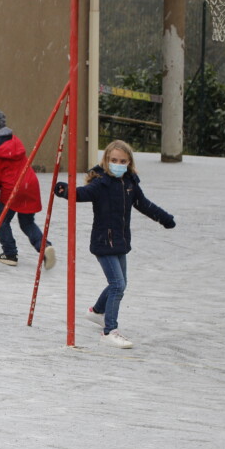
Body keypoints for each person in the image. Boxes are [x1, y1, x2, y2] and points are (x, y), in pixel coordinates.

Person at [55, 139, 175, 349]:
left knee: (120, 283)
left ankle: (97, 312)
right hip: (103, 242)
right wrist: (65, 190)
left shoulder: (130, 183)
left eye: (122, 161)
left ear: (129, 162)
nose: (118, 164)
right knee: (117, 284)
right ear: (106, 160)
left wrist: (164, 218)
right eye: (113, 160)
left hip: (120, 241)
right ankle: (109, 331)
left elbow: (144, 204)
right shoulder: (101, 183)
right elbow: (82, 194)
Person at [0, 108, 56, 269]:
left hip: (12, 190)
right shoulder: (14, 141)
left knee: (1, 221)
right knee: (27, 222)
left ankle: (10, 254)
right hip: (30, 184)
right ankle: (45, 247)